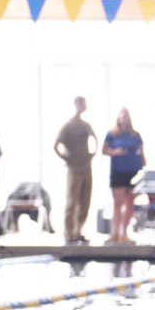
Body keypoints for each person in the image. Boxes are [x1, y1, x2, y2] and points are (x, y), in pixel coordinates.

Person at [54, 96, 98, 245]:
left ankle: (79, 230)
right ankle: (69, 232)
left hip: (87, 168)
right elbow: (56, 145)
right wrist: (66, 158)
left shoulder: (86, 125)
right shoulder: (67, 126)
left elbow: (95, 139)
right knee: (72, 201)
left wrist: (93, 153)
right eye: (83, 103)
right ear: (77, 104)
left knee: (85, 201)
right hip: (74, 169)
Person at [101, 107, 145, 244]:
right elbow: (104, 150)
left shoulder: (135, 135)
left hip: (133, 171)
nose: (123, 118)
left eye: (125, 115)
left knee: (130, 202)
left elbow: (142, 153)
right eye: (121, 116)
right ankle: (114, 233)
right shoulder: (112, 134)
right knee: (117, 203)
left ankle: (124, 234)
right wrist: (115, 152)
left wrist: (144, 171)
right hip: (118, 171)